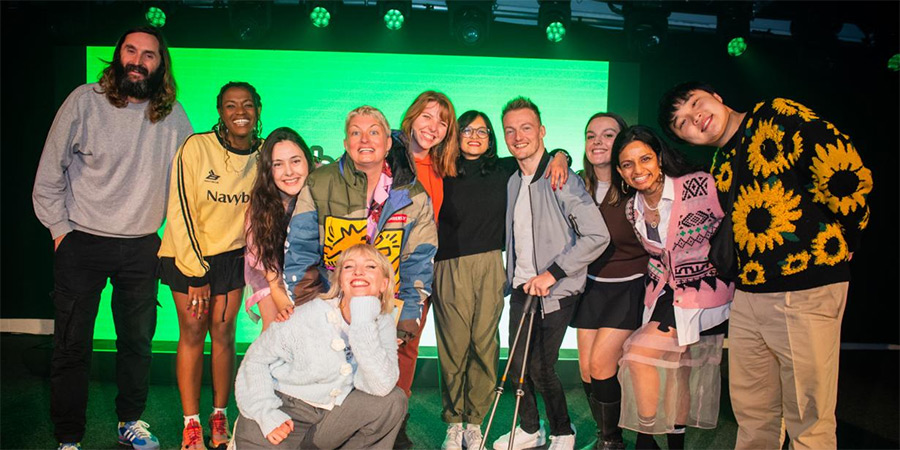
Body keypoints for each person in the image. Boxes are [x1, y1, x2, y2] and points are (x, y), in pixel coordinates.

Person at [658, 82, 873, 449]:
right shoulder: (721, 163)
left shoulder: (776, 115)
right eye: (683, 124)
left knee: (809, 414)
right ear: (687, 140)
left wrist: (849, 236)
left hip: (805, 287)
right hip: (750, 294)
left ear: (717, 96)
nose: (695, 118)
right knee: (754, 412)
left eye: (696, 103)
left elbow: (843, 169)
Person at [32, 26, 192, 450]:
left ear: (162, 64)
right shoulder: (84, 101)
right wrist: (61, 233)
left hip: (141, 246)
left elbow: (189, 183)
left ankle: (130, 422)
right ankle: (68, 437)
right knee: (71, 345)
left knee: (137, 343)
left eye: (150, 55)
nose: (138, 61)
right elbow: (48, 177)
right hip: (80, 242)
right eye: (131, 51)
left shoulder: (173, 115)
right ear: (118, 55)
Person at [282, 104, 437, 443]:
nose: (364, 140)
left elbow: (420, 259)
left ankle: (389, 430)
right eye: (356, 133)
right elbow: (301, 249)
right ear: (345, 140)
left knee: (381, 383)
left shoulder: (411, 194)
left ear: (387, 142)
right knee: (333, 381)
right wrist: (311, 307)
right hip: (332, 305)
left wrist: (410, 312)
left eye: (373, 132)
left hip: (386, 307)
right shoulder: (321, 183)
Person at [434, 110, 570, 450]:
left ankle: (475, 421)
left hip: (492, 266)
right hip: (448, 267)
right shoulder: (443, 169)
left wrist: (561, 156)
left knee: (484, 345)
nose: (475, 136)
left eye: (482, 130)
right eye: (467, 129)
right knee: (453, 348)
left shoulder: (504, 168)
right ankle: (454, 422)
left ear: (492, 137)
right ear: (456, 134)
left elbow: (543, 153)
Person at [493, 97, 610, 450]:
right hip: (522, 288)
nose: (518, 136)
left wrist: (553, 273)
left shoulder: (561, 177)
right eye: (510, 130)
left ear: (541, 131)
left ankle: (563, 430)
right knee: (517, 367)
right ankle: (530, 428)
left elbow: (597, 236)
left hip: (556, 290)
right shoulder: (513, 179)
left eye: (526, 127)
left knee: (543, 369)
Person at [611, 125, 733, 450]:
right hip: (662, 293)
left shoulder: (698, 185)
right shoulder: (631, 207)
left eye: (645, 159)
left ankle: (646, 438)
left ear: (660, 159)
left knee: (637, 355)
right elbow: (659, 255)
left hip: (702, 290)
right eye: (627, 164)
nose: (638, 170)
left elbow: (736, 213)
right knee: (678, 371)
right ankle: (673, 445)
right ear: (620, 172)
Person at [157, 81, 262, 450]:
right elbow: (181, 210)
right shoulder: (196, 147)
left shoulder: (263, 156)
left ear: (258, 110)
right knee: (192, 332)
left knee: (223, 334)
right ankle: (191, 424)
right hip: (189, 256)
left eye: (247, 105)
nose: (240, 112)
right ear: (220, 111)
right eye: (231, 105)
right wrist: (196, 272)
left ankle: (220, 415)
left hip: (232, 259)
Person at [232, 243, 408, 449]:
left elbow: (381, 386)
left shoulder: (384, 322)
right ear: (341, 281)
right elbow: (255, 360)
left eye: (370, 267)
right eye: (349, 267)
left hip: (331, 417)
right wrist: (266, 412)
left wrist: (363, 319)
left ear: (384, 284)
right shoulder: (308, 314)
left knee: (393, 401)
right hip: (284, 408)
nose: (359, 272)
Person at [572, 113, 648, 450]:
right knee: (587, 370)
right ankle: (610, 439)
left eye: (607, 135)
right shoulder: (578, 185)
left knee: (603, 364)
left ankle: (612, 441)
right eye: (591, 135)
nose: (598, 142)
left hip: (628, 284)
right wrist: (560, 154)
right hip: (591, 285)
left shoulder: (635, 186)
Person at [244, 127, 316, 331]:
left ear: (308, 161)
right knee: (277, 327)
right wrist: (286, 306)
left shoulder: (324, 195)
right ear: (268, 170)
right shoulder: (259, 210)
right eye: (278, 164)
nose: (289, 172)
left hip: (317, 280)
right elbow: (273, 281)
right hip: (275, 281)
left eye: (295, 161)